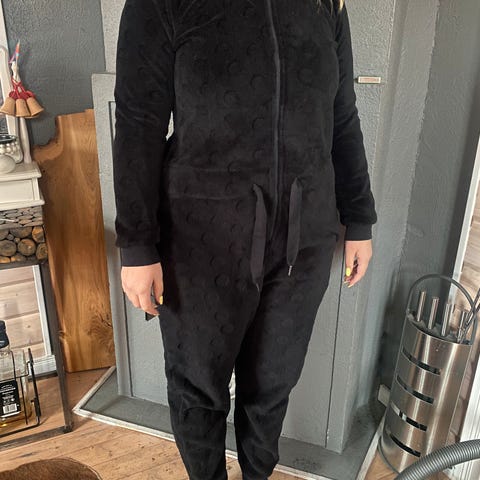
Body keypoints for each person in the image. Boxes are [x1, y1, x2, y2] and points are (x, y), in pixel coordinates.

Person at [112, 0, 377, 478]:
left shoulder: (326, 5)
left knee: (273, 386)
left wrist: (359, 216)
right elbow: (137, 122)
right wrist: (136, 244)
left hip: (303, 239)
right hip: (199, 242)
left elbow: (342, 115)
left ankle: (258, 474)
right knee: (198, 388)